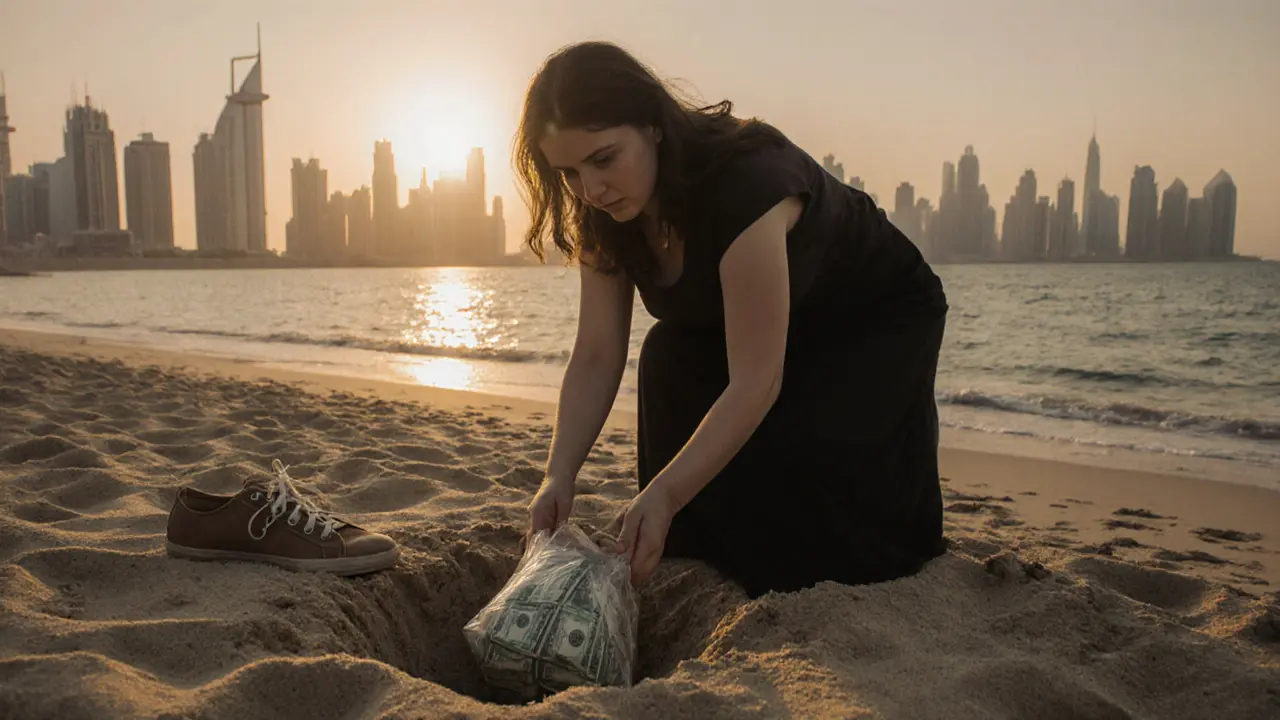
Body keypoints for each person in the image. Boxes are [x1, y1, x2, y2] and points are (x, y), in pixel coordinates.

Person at [521, 41, 949, 599]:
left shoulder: (746, 185)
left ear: (654, 125)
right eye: (569, 172)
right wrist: (560, 473)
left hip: (870, 318)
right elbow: (598, 353)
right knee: (667, 358)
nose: (591, 190)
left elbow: (756, 380)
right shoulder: (604, 213)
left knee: (841, 541)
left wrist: (667, 493)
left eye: (603, 159)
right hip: (775, 322)